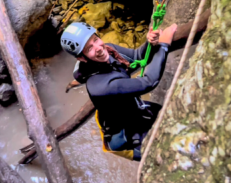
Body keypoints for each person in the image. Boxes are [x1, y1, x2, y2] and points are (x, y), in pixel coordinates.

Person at [61, 22, 177, 161]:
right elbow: (148, 82)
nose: (98, 48)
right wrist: (163, 46)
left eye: (96, 39)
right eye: (89, 49)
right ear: (81, 58)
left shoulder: (109, 51)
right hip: (124, 137)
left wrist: (150, 42)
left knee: (169, 115)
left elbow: (136, 56)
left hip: (130, 109)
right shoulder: (101, 86)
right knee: (165, 156)